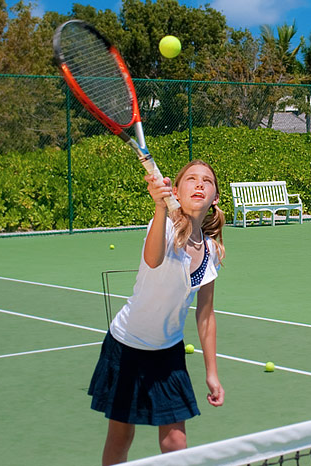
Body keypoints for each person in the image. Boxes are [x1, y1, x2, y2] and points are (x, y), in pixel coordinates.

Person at [88, 160, 226, 465]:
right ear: (175, 191)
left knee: (175, 440)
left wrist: (212, 373)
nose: (199, 184)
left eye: (207, 180)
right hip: (126, 346)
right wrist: (160, 208)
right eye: (191, 179)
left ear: (215, 197)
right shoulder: (162, 226)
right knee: (121, 436)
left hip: (168, 353)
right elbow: (152, 260)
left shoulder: (212, 250)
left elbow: (206, 315)